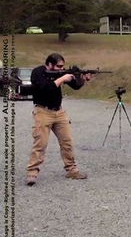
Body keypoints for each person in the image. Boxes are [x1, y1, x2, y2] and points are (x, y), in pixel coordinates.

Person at [26, 53, 93, 186]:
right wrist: (62, 78)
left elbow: (75, 85)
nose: (61, 69)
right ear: (49, 64)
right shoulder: (38, 72)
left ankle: (71, 169)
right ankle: (32, 172)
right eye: (58, 66)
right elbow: (46, 87)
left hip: (59, 111)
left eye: (63, 66)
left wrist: (83, 78)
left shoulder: (60, 74)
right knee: (40, 143)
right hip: (42, 111)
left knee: (67, 142)